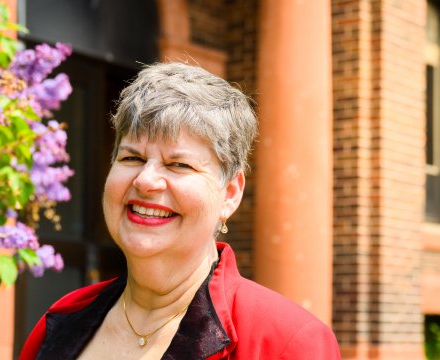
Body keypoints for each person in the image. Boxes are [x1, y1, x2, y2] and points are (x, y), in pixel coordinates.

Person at [20, 62, 340, 359]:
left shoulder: (286, 343)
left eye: (179, 164)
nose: (146, 180)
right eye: (132, 158)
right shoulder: (61, 322)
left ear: (229, 194)